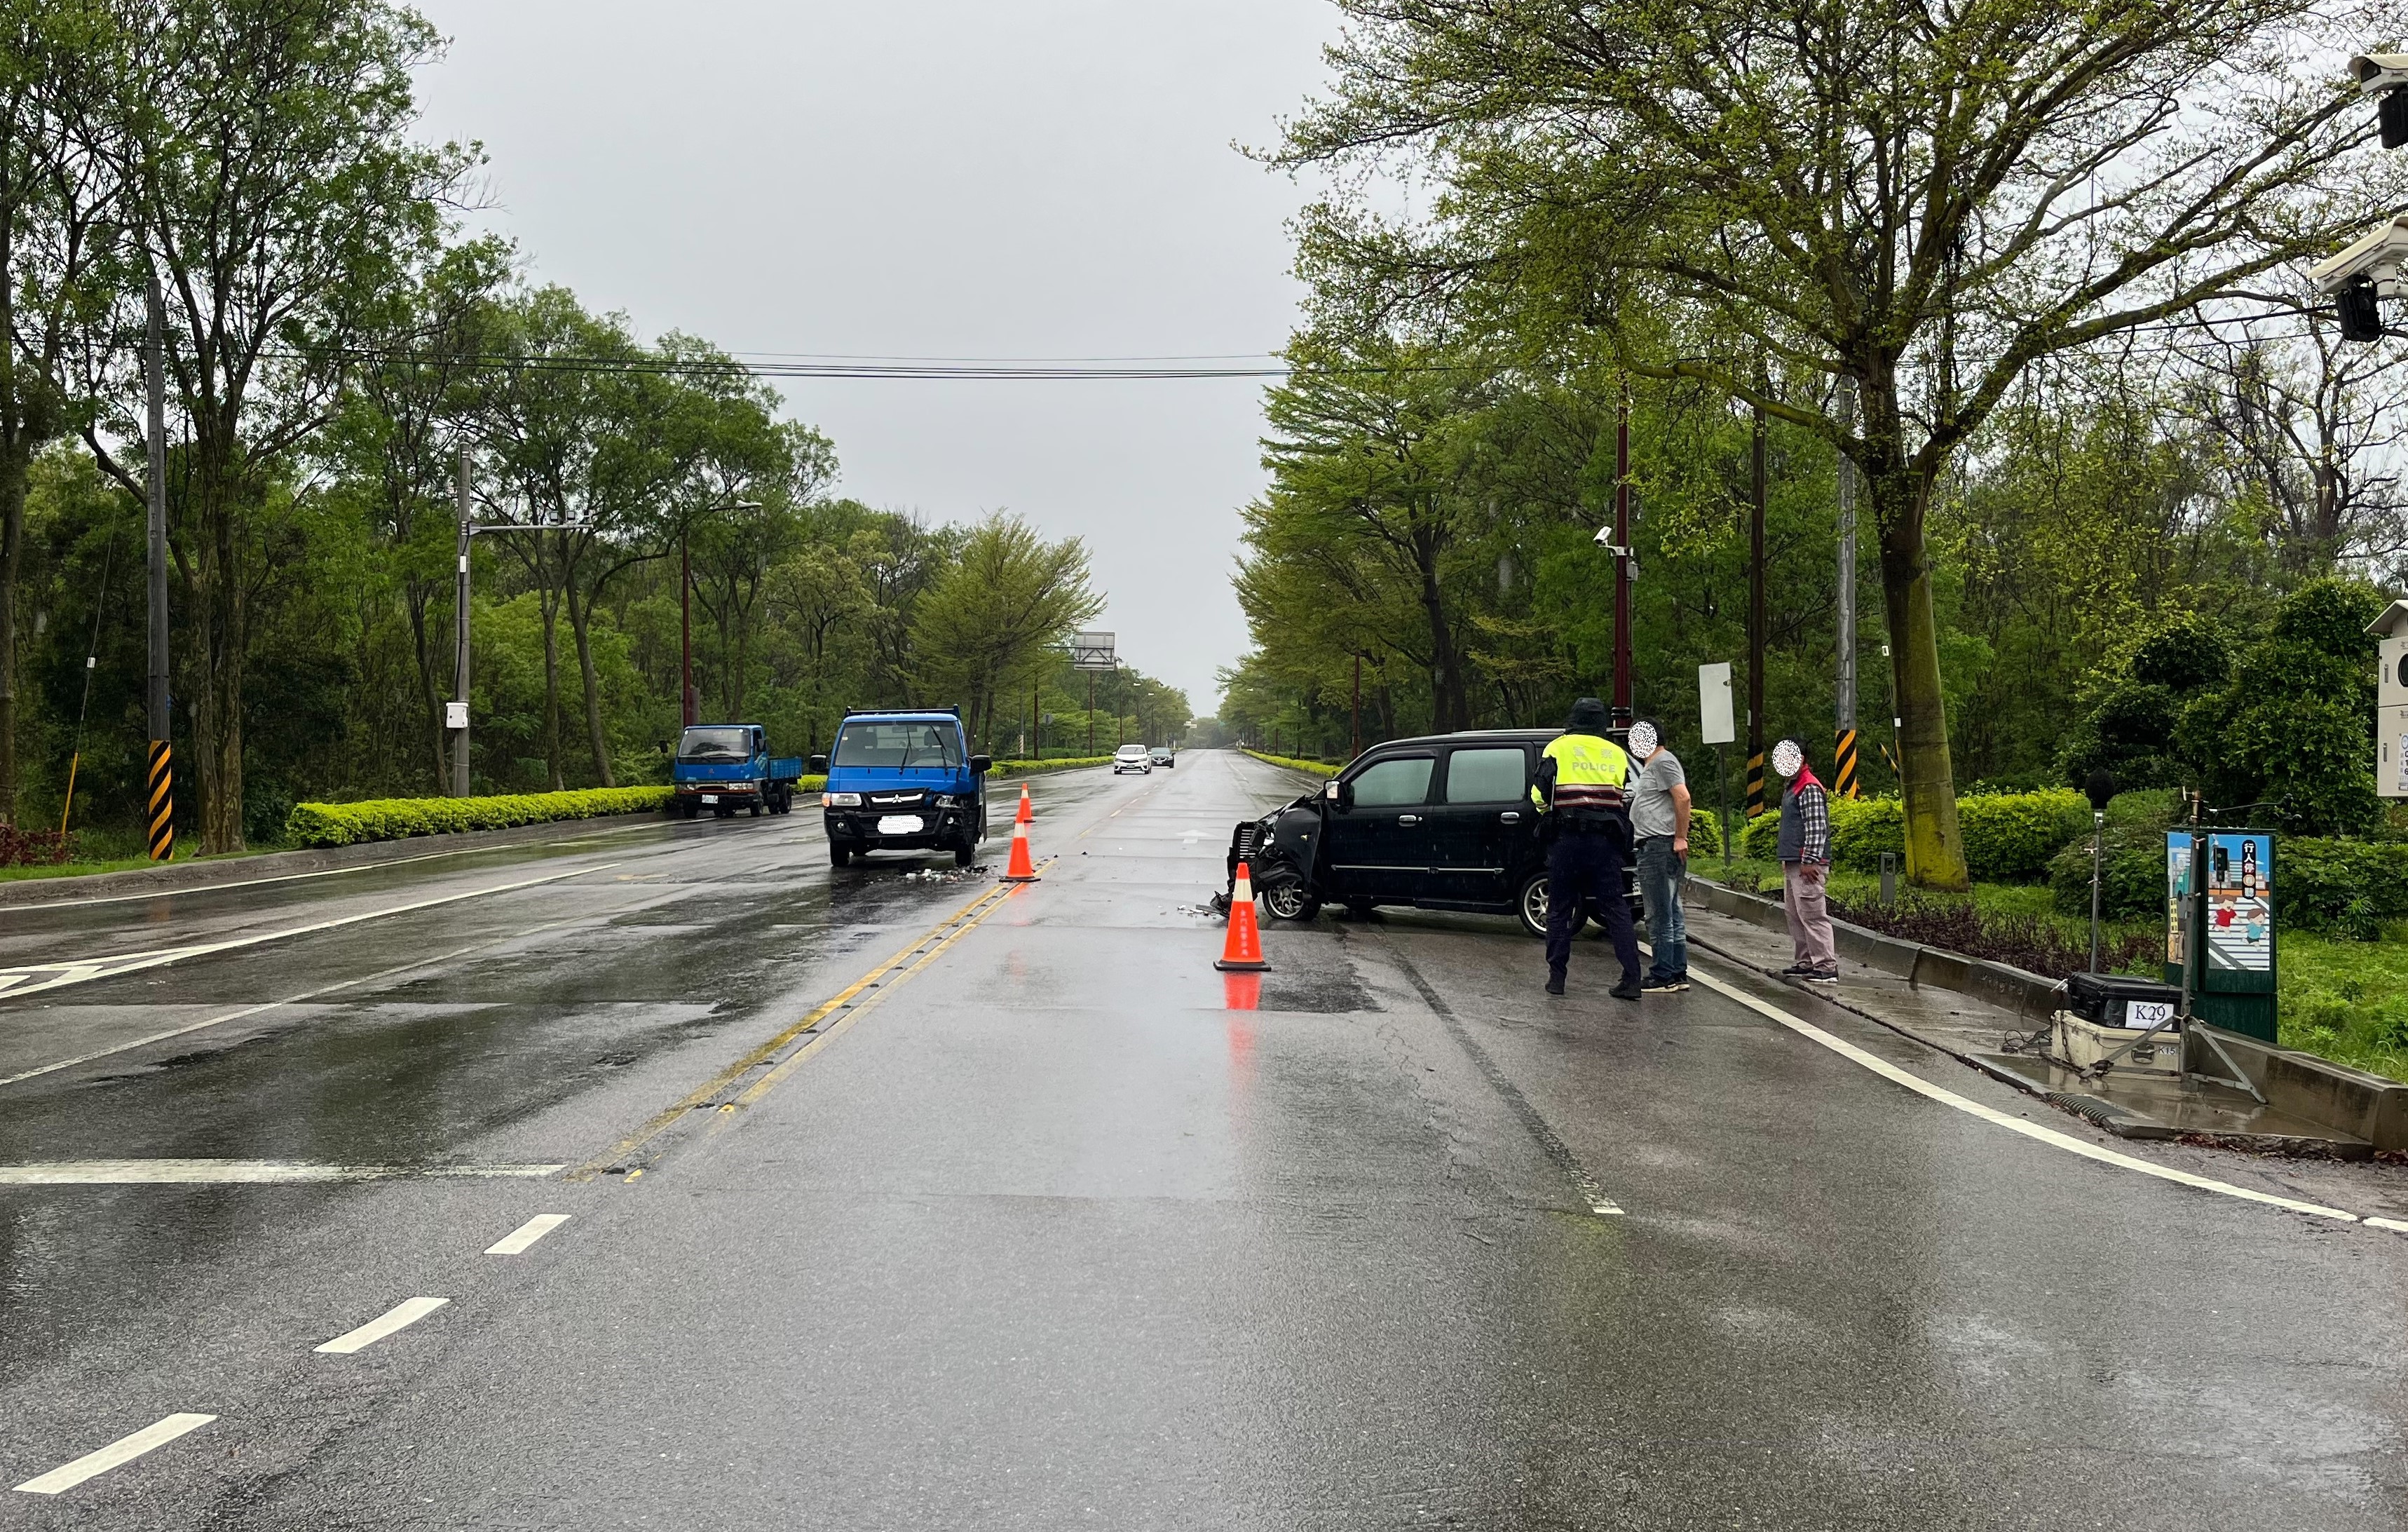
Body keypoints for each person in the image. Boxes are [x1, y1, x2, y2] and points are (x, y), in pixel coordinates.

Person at [1532, 697, 1642, 1000]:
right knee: (1615, 908)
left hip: (1567, 839)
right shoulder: (1617, 753)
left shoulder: (1557, 747)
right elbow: (1622, 794)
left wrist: (1549, 815)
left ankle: (1557, 978)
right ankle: (1632, 980)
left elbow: (1539, 793)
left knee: (1559, 909)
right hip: (1606, 842)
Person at [1625, 721, 1690, 993]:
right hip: (1659, 845)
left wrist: (1680, 837)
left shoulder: (1663, 762)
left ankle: (1663, 974)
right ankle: (1676, 972)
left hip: (1658, 846)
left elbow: (1683, 798)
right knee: (1671, 912)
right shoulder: (1656, 764)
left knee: (1658, 914)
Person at [1773, 739, 1838, 983]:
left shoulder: (1808, 787)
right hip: (1795, 862)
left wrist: (1810, 859)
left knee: (1812, 913)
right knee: (1795, 914)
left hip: (1807, 863)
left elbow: (1816, 828)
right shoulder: (1793, 785)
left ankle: (1825, 965)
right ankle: (1806, 960)